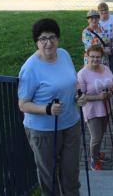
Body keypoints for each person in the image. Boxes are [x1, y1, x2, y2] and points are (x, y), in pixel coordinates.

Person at [18, 18, 86, 196]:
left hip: (71, 124)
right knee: (49, 176)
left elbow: (74, 80)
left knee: (71, 173)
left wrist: (79, 94)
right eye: (43, 39)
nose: (49, 43)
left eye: (53, 37)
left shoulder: (64, 54)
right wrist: (47, 109)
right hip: (44, 130)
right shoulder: (30, 68)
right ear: (37, 42)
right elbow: (23, 105)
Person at [78, 44, 113, 171]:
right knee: (96, 138)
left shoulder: (106, 68)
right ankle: (94, 161)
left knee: (102, 133)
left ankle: (98, 153)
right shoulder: (82, 74)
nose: (95, 59)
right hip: (92, 110)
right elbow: (80, 96)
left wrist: (110, 93)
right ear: (87, 57)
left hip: (106, 108)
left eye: (98, 57)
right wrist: (98, 97)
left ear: (102, 57)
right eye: (92, 57)